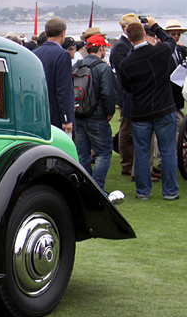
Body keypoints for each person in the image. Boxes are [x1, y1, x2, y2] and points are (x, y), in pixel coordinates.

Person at [116, 19, 179, 201]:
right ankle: (170, 191)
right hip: (164, 108)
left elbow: (127, 87)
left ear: (128, 38)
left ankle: (143, 191)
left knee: (142, 152)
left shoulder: (126, 63)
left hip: (141, 111)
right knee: (167, 151)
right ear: (145, 34)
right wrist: (155, 25)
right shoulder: (159, 51)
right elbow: (170, 41)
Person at [73, 35, 117, 191]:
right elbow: (108, 93)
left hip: (79, 113)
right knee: (103, 153)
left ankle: (86, 188)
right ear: (101, 48)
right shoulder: (103, 67)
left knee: (82, 154)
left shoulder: (77, 65)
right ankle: (97, 188)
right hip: (97, 116)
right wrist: (109, 111)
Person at [34, 17, 75, 135]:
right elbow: (63, 88)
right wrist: (67, 118)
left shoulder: (35, 54)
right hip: (57, 115)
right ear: (63, 33)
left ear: (46, 33)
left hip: (40, 114)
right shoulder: (63, 55)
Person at [110, 13, 138, 176]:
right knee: (126, 130)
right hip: (126, 94)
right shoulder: (121, 46)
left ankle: (133, 162)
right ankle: (127, 163)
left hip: (131, 93)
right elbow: (125, 71)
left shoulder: (125, 45)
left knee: (131, 130)